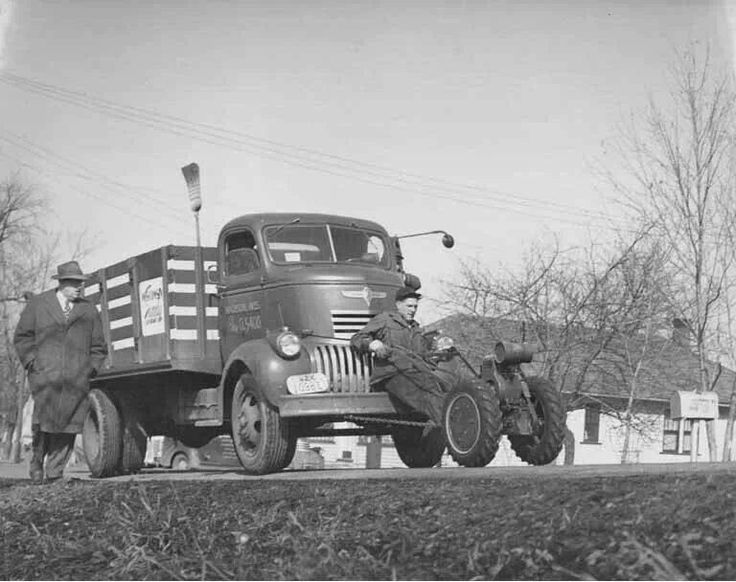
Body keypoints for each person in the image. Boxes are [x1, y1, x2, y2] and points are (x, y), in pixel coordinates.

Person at [14, 261, 108, 483]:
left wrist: (90, 369)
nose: (79, 288)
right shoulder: (39, 304)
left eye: (81, 284)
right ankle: (37, 462)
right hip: (45, 377)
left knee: (69, 426)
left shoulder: (88, 309)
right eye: (75, 283)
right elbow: (22, 337)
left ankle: (55, 473)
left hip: (76, 380)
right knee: (43, 424)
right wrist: (31, 363)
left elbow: (99, 347)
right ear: (62, 283)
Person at [350, 286, 450, 427]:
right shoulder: (385, 319)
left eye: (415, 307)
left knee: (444, 392)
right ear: (398, 305)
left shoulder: (416, 329)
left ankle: (451, 427)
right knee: (426, 398)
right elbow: (357, 338)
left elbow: (422, 357)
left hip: (415, 373)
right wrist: (373, 344)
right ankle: (453, 429)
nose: (413, 310)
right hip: (391, 374)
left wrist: (437, 354)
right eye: (409, 306)